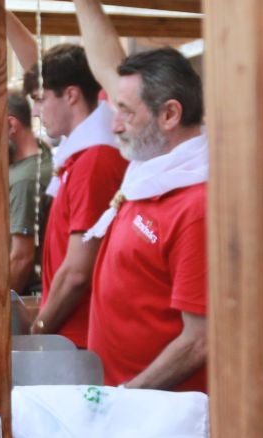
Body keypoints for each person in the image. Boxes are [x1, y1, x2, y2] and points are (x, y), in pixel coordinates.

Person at [80, 47, 208, 392]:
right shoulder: (149, 172)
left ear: (169, 115)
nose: (114, 125)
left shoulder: (197, 204)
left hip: (158, 416)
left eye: (124, 111)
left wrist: (129, 396)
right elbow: (103, 57)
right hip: (120, 401)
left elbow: (201, 340)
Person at [24, 45, 126, 348]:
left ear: (71, 95)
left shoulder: (94, 161)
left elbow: (77, 273)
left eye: (40, 100)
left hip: (79, 338)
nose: (35, 112)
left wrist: (39, 330)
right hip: (72, 333)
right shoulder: (81, 157)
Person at [5, 90, 54, 295]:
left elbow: (21, 258)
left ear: (11, 125)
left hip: (28, 296)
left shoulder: (25, 180)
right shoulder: (41, 155)